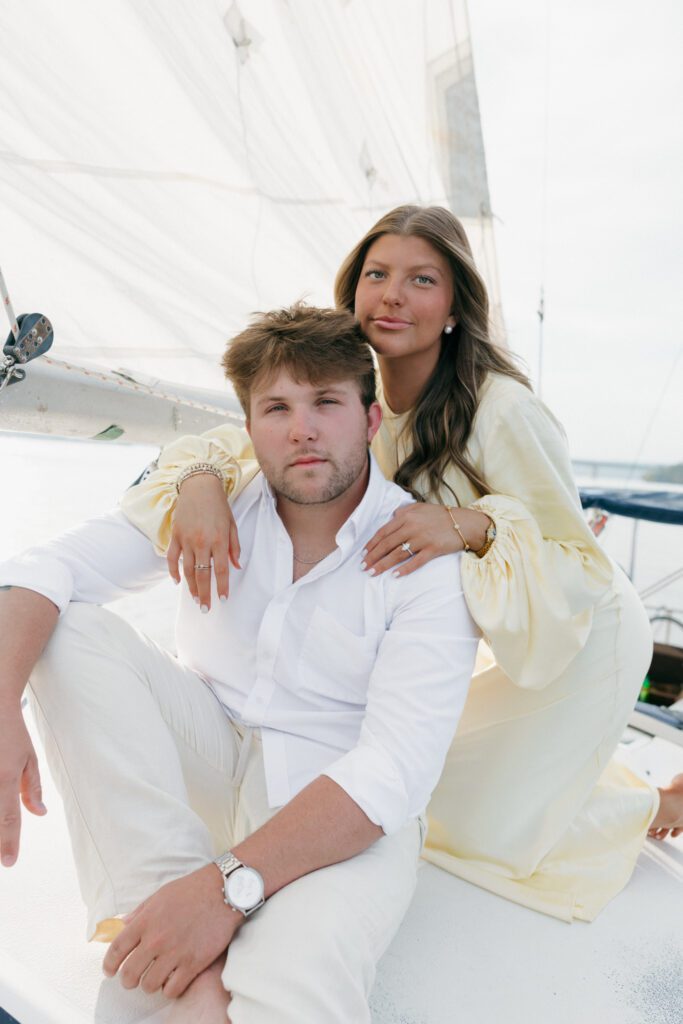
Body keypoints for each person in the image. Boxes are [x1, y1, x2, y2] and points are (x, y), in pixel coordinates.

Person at [122, 204, 683, 924]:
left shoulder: (500, 409)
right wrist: (199, 480)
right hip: (497, 624)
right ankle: (647, 798)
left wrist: (468, 522)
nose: (392, 295)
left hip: (575, 636)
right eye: (377, 274)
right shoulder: (351, 386)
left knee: (463, 827)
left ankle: (657, 804)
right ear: (352, 289)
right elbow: (245, 447)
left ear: (453, 308)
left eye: (422, 280)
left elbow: (577, 561)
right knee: (405, 786)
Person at [0, 304, 480, 1024]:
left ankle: (182, 929)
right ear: (248, 428)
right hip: (211, 747)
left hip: (339, 802)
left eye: (326, 402)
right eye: (276, 408)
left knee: (297, 985)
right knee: (68, 632)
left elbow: (393, 769)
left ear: (371, 419)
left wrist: (221, 890)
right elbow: (45, 568)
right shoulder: (211, 500)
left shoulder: (422, 553)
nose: (302, 429)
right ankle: (170, 926)